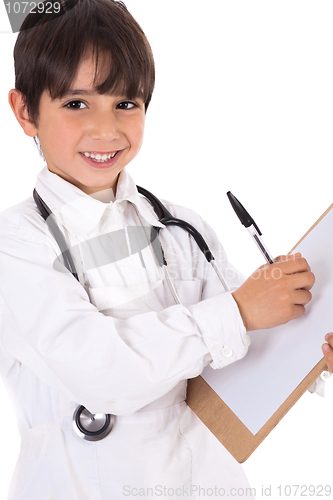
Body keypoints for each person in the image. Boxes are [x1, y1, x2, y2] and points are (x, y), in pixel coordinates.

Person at [0, 0, 321, 498]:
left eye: (126, 104)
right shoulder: (17, 242)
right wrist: (238, 311)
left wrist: (309, 349)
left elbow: (246, 350)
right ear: (25, 111)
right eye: (76, 103)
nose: (106, 130)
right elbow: (102, 371)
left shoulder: (180, 228)